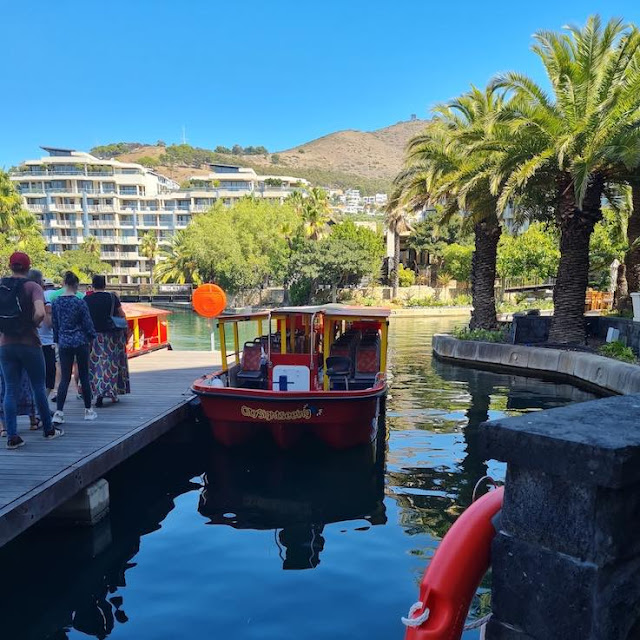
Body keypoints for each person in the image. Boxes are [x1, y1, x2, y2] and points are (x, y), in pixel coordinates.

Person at [0, 252, 61, 449]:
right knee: (37, 386)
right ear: (28, 267)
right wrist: (30, 325)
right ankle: (49, 429)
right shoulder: (32, 286)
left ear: (10, 266)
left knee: (10, 390)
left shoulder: (2, 286)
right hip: (29, 343)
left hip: (6, 344)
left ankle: (12, 436)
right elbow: (41, 312)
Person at [52, 271, 98, 423]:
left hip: (64, 342)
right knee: (84, 376)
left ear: (64, 284)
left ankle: (59, 412)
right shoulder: (80, 302)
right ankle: (88, 410)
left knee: (65, 378)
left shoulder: (56, 302)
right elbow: (88, 323)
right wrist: (92, 337)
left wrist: (57, 340)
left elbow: (55, 324)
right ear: (76, 285)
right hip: (80, 341)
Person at [85, 275, 131, 406]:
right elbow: (121, 314)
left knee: (95, 365)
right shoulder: (112, 297)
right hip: (111, 336)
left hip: (93, 337)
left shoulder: (86, 299)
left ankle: (97, 392)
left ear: (92, 285)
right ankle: (111, 393)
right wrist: (126, 332)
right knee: (111, 365)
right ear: (104, 285)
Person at [28, 269, 57, 399]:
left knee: (32, 378)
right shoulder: (43, 298)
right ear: (39, 282)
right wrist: (47, 310)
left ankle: (36, 408)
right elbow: (49, 323)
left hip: (27, 342)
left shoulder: (22, 295)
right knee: (48, 379)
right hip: (45, 342)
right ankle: (41, 405)